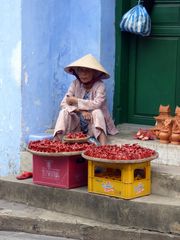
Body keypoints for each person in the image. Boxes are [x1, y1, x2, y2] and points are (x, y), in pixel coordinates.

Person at [53, 54, 119, 145]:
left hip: (94, 126)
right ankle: (56, 143)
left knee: (97, 111)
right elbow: (64, 103)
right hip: (77, 126)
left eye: (87, 71)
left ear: (94, 73)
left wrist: (76, 100)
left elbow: (97, 104)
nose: (83, 74)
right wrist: (81, 111)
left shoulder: (100, 85)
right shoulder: (75, 84)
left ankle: (103, 147)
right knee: (63, 112)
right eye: (80, 71)